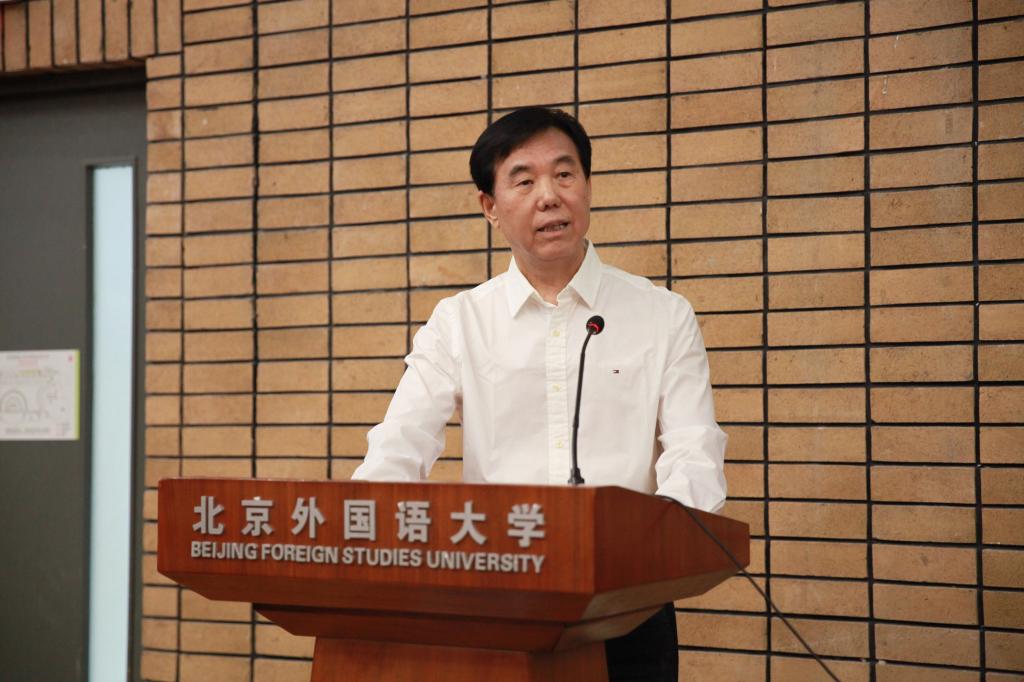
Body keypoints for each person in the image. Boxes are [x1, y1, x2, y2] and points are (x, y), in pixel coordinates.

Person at [352, 106, 727, 682]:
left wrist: (649, 557)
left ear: (587, 187)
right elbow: (399, 446)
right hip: (496, 596)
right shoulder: (459, 321)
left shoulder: (662, 314)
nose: (549, 196)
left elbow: (693, 453)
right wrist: (359, 532)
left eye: (564, 174)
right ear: (490, 207)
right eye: (524, 181)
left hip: (626, 604)